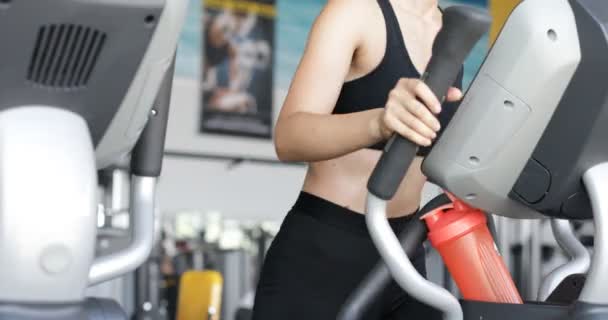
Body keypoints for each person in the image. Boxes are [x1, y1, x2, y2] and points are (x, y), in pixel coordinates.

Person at [252, 0, 464, 319]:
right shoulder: (355, 11)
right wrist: (380, 122)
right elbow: (288, 138)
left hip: (404, 254)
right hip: (323, 256)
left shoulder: (453, 31)